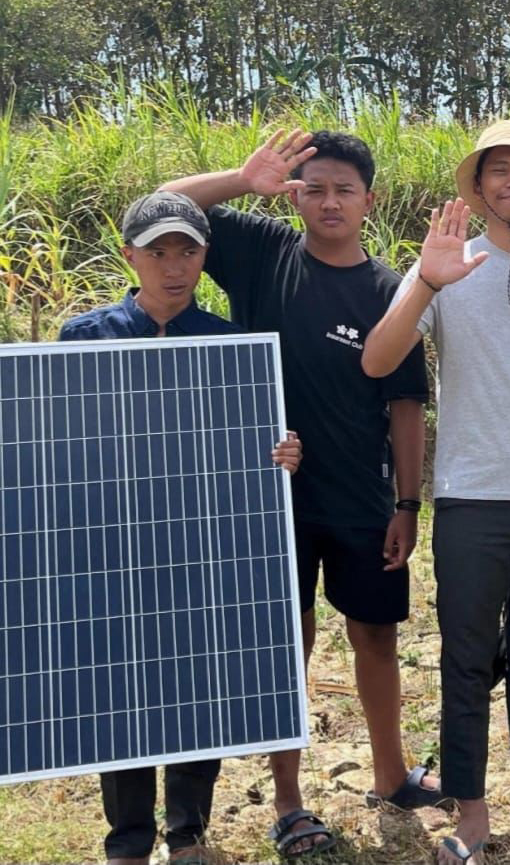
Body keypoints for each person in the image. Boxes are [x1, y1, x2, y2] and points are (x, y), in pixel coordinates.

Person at [159, 131, 437, 857]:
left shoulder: (390, 290)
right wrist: (241, 178)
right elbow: (162, 206)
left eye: (345, 189)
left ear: (370, 200)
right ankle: (288, 799)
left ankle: (391, 774)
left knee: (376, 635)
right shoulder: (261, 250)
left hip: (361, 497)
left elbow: (406, 406)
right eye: (314, 188)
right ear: (294, 196)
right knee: (290, 642)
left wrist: (408, 503)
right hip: (267, 494)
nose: (329, 202)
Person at [362, 120, 510, 865]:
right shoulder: (446, 267)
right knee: (468, 657)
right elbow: (378, 359)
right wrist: (428, 280)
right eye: (498, 170)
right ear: (478, 187)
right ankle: (471, 809)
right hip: (471, 497)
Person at [59, 190, 302, 865]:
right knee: (121, 691)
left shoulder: (232, 344)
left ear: (204, 257)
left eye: (187, 251)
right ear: (129, 255)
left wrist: (282, 453)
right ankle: (128, 841)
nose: (173, 266)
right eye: (158, 252)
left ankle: (188, 833)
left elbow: (252, 452)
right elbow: (61, 447)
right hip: (111, 544)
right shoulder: (85, 337)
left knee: (198, 682)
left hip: (201, 545)